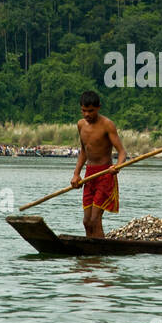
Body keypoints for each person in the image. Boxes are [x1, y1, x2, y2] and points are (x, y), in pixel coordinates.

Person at [70, 90, 127, 238]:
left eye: (90, 111)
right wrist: (76, 174)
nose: (87, 114)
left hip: (105, 174)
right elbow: (84, 151)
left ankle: (99, 253)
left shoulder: (107, 125)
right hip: (89, 174)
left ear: (98, 108)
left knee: (95, 219)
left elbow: (122, 152)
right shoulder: (80, 125)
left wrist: (118, 167)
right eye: (83, 110)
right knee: (86, 221)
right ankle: (92, 255)